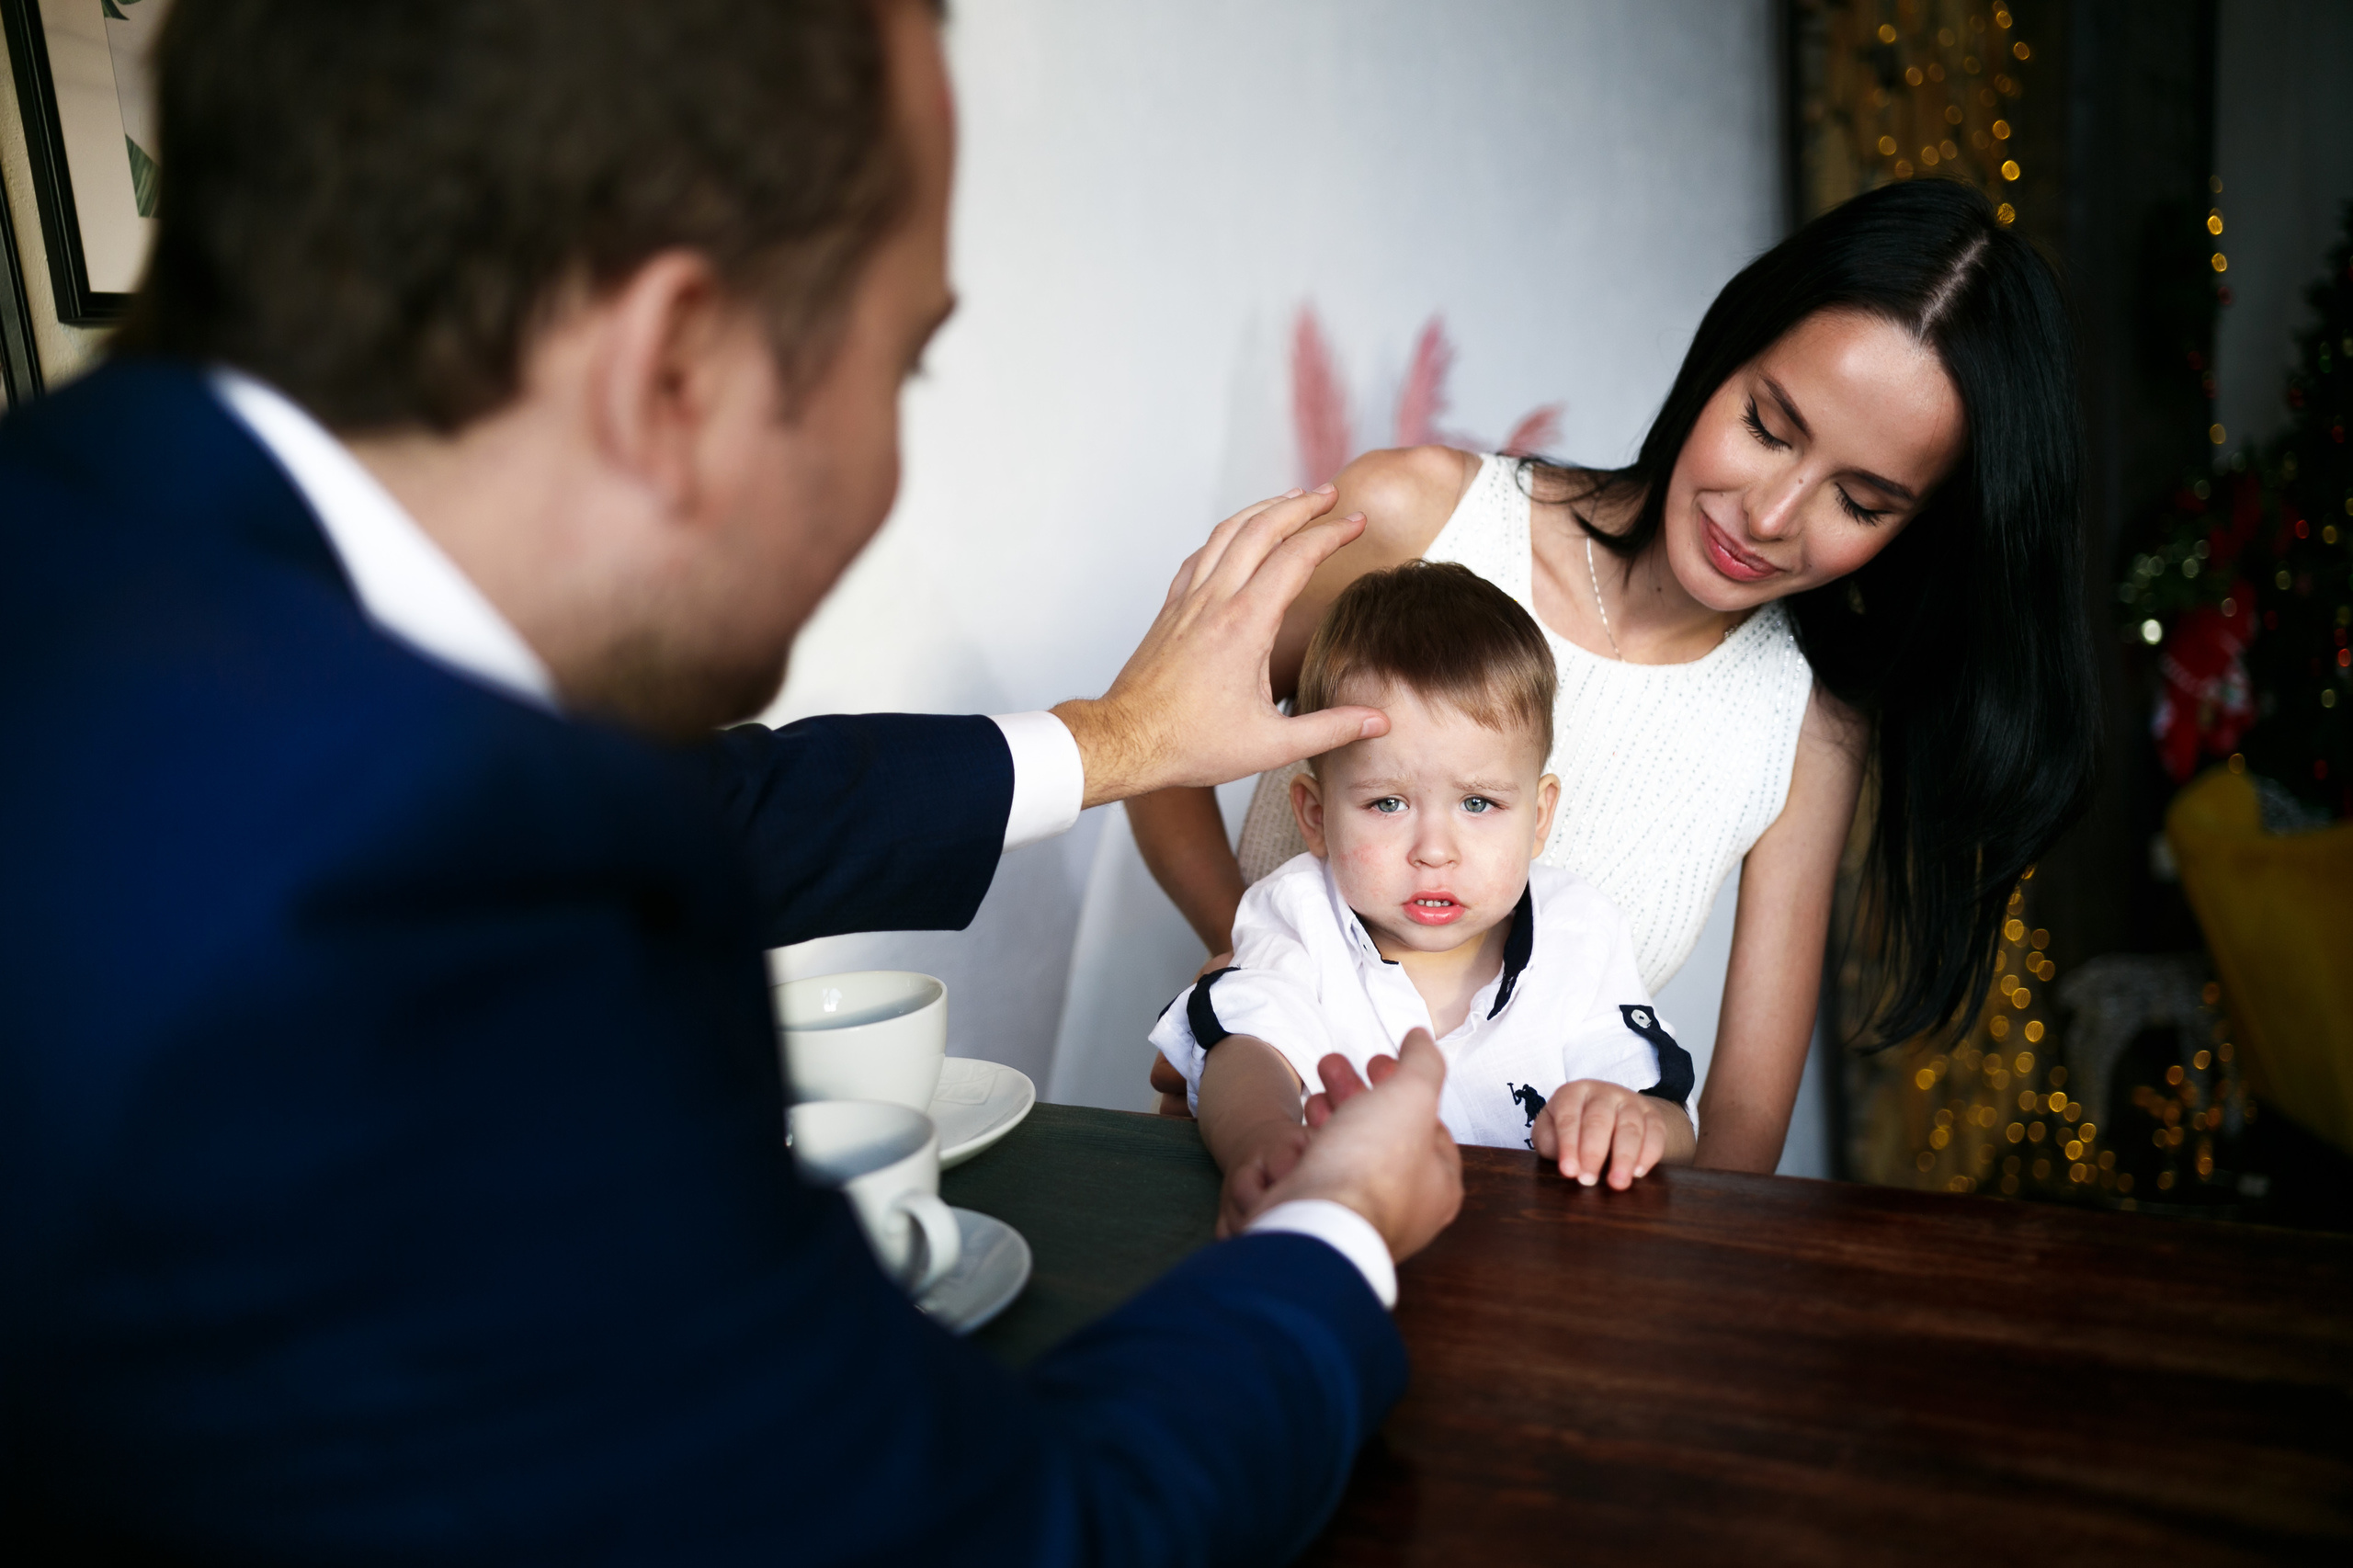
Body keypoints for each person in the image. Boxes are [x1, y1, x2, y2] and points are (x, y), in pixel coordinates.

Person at [0, 2, 1464, 1561]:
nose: (889, 461)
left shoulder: (93, 517)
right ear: (676, 369)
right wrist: (1341, 1229)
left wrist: (1116, 741)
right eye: (903, 364)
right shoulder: (445, 936)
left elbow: (702, 808)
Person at [1133, 177, 2097, 1171]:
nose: (1770, 516)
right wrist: (1265, 979)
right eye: (1767, 426)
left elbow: (1736, 1140)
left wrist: (1638, 1137)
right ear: (1725, 352)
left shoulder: (1807, 716)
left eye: (1858, 500)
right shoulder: (1413, 519)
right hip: (1259, 1178)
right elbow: (1153, 741)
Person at [1151, 563, 1696, 1232]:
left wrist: (1633, 1119)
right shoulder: (1297, 913)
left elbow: (1664, 1109)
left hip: (1528, 1271)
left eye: (1478, 802)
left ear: (1540, 816)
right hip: (1335, 1246)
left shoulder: (1577, 930)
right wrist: (1262, 1141)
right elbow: (1249, 1048)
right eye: (1387, 802)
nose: (1434, 849)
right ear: (1316, 817)